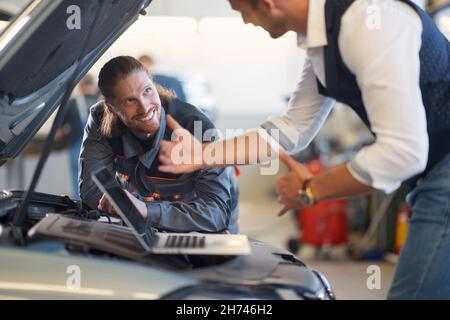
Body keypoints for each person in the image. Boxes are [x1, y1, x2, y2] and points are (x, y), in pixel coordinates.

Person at [157, 0, 450, 299]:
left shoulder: (367, 21)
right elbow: (293, 126)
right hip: (431, 173)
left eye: (242, 10)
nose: (246, 21)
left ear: (268, 4)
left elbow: (403, 153)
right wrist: (204, 155)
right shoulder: (322, 42)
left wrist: (312, 189)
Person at [79, 56, 239, 234]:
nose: (145, 107)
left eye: (147, 90)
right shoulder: (101, 120)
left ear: (153, 84)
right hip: (150, 220)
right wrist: (134, 209)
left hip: (209, 223)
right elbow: (92, 191)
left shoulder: (196, 126)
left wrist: (143, 209)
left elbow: (214, 215)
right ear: (111, 108)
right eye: (130, 101)